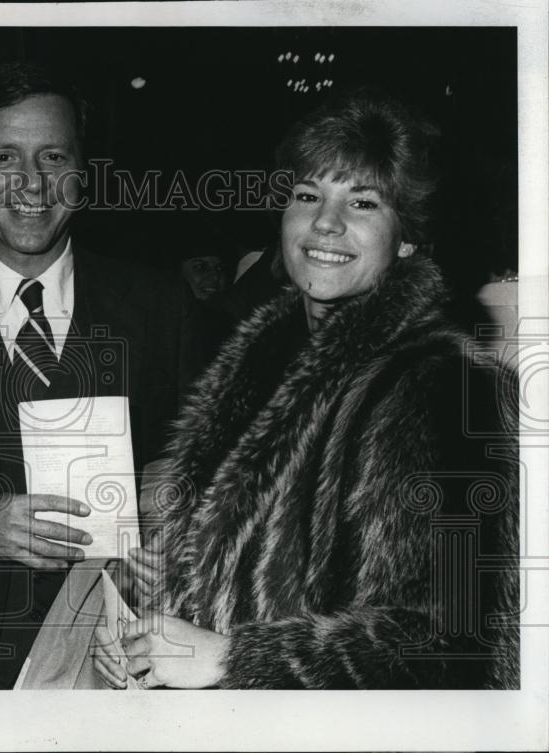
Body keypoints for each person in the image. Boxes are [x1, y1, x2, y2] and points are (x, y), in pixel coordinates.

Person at [92, 91, 519, 689]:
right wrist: (172, 580)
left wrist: (230, 659)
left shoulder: (444, 387)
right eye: (307, 195)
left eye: (363, 202)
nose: (326, 222)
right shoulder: (264, 359)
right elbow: (265, 572)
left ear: (407, 238)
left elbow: (451, 644)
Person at [0, 62, 186, 689]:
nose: (31, 182)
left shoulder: (162, 306)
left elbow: (206, 463)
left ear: (83, 172)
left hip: (119, 657)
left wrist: (172, 503)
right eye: (3, 158)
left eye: (53, 156)